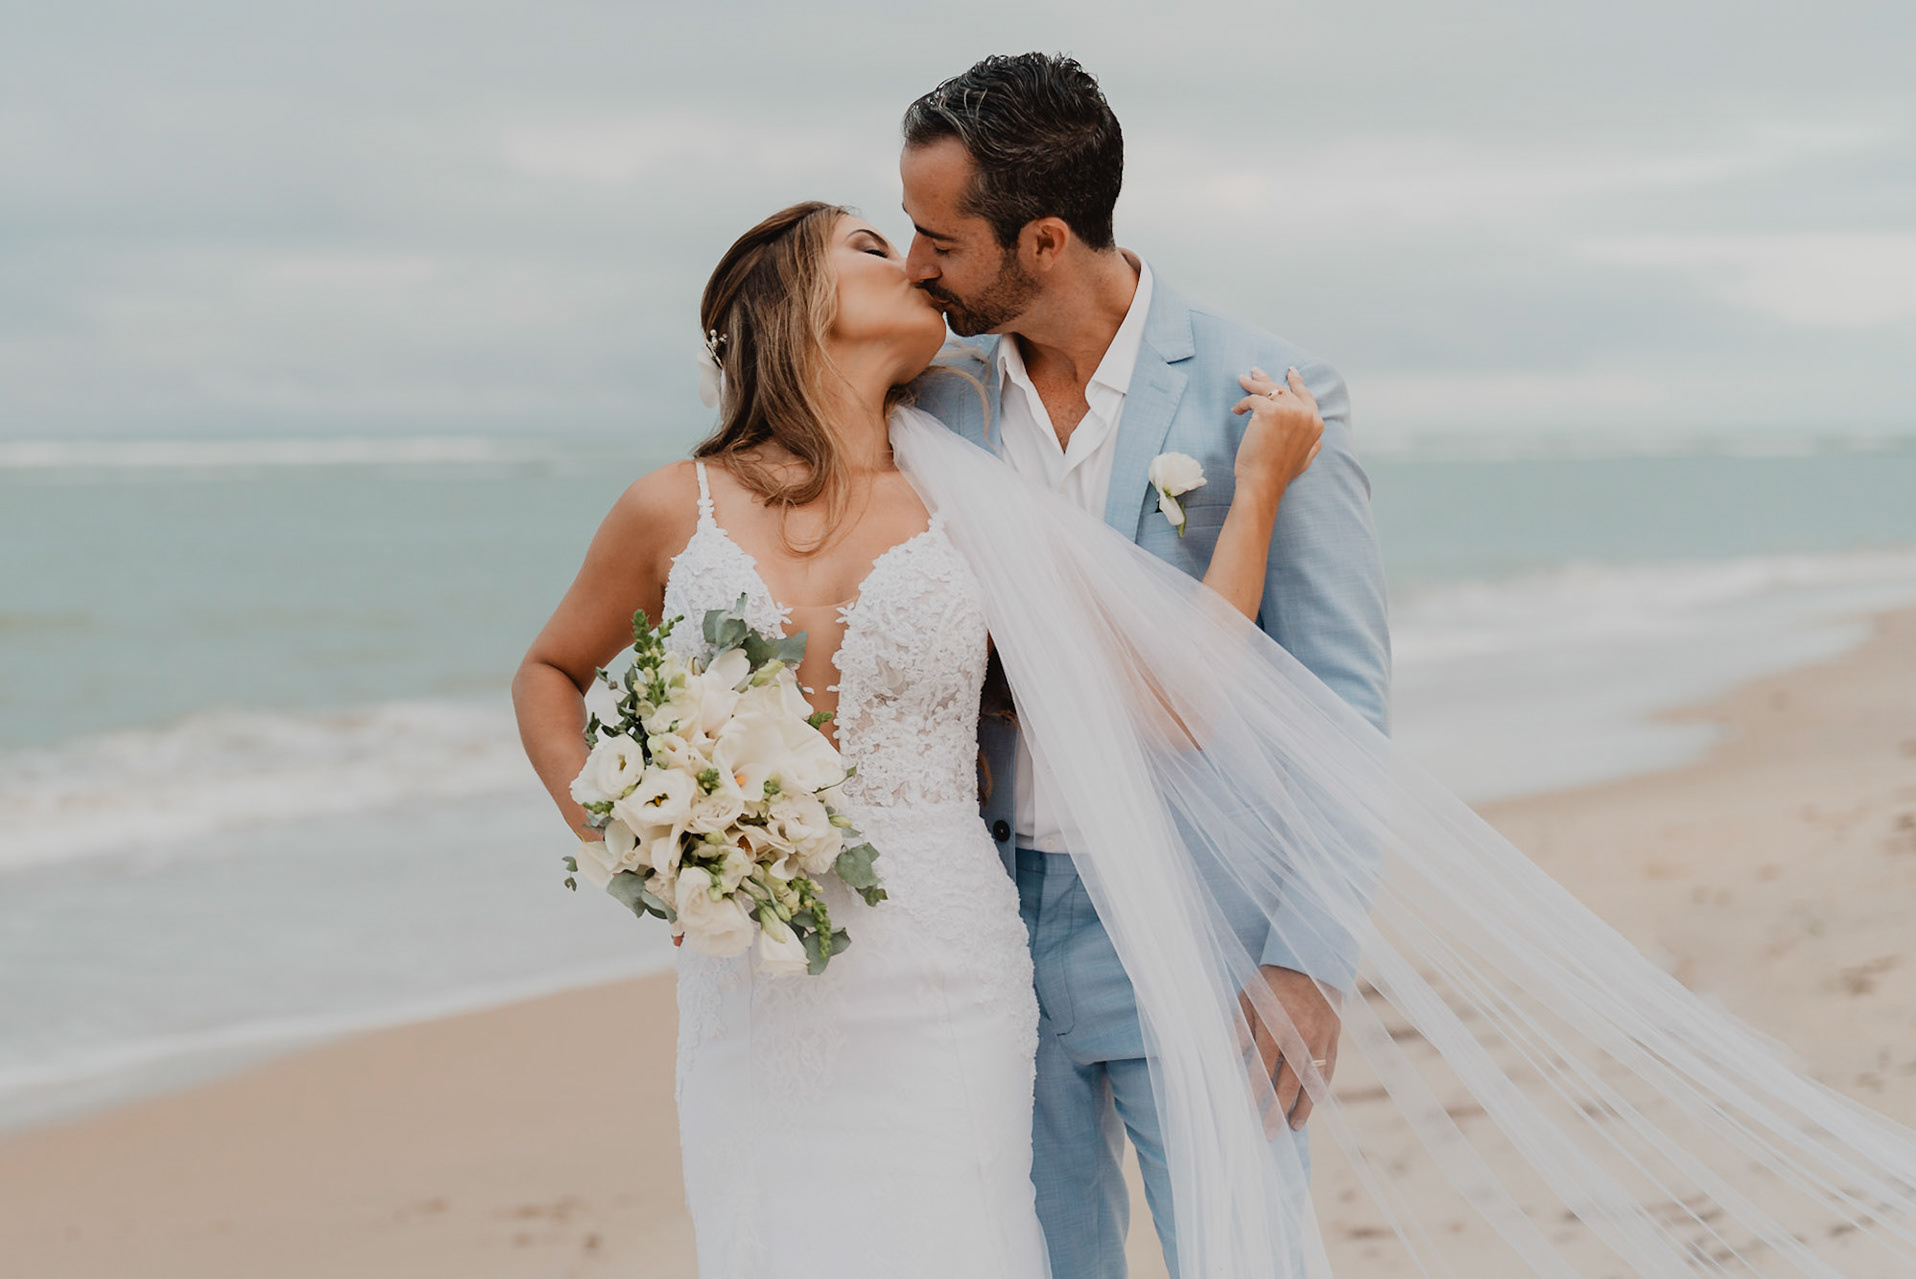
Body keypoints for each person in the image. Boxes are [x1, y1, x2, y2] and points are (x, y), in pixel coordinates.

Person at [511, 201, 1329, 1277]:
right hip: (752, 982)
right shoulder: (671, 507)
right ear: (791, 301)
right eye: (867, 246)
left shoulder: (970, 506)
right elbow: (550, 675)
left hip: (944, 967)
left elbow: (1176, 703)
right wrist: (640, 848)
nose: (912, 264)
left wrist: (1258, 490)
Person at [898, 53, 1388, 1278]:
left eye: (940, 240)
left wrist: (1307, 954)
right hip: (993, 929)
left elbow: (1341, 696)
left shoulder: (1264, 393)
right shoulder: (935, 405)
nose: (916, 268)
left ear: (1045, 240)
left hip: (1198, 924)